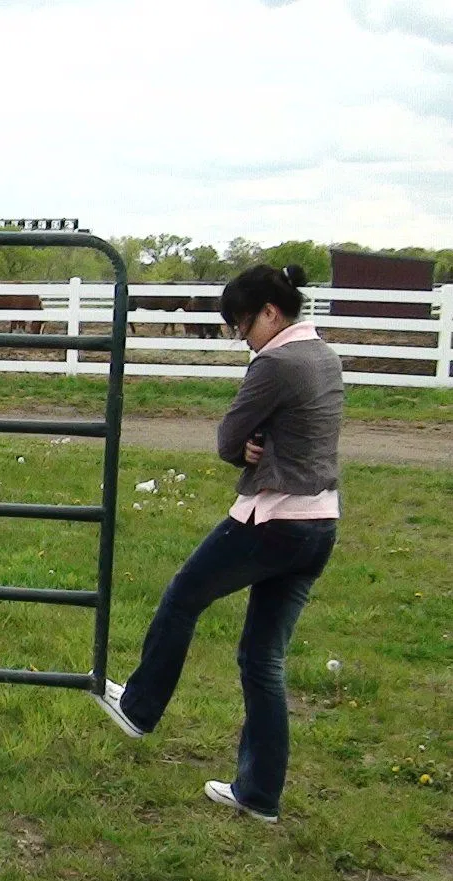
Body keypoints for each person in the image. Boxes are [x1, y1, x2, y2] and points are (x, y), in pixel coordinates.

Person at [93, 263, 342, 824]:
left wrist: (244, 450)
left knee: (183, 596)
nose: (241, 336)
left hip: (272, 518)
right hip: (321, 523)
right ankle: (259, 794)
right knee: (263, 659)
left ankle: (138, 707)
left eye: (243, 324)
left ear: (271, 314)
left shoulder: (274, 363)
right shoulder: (324, 355)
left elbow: (229, 437)